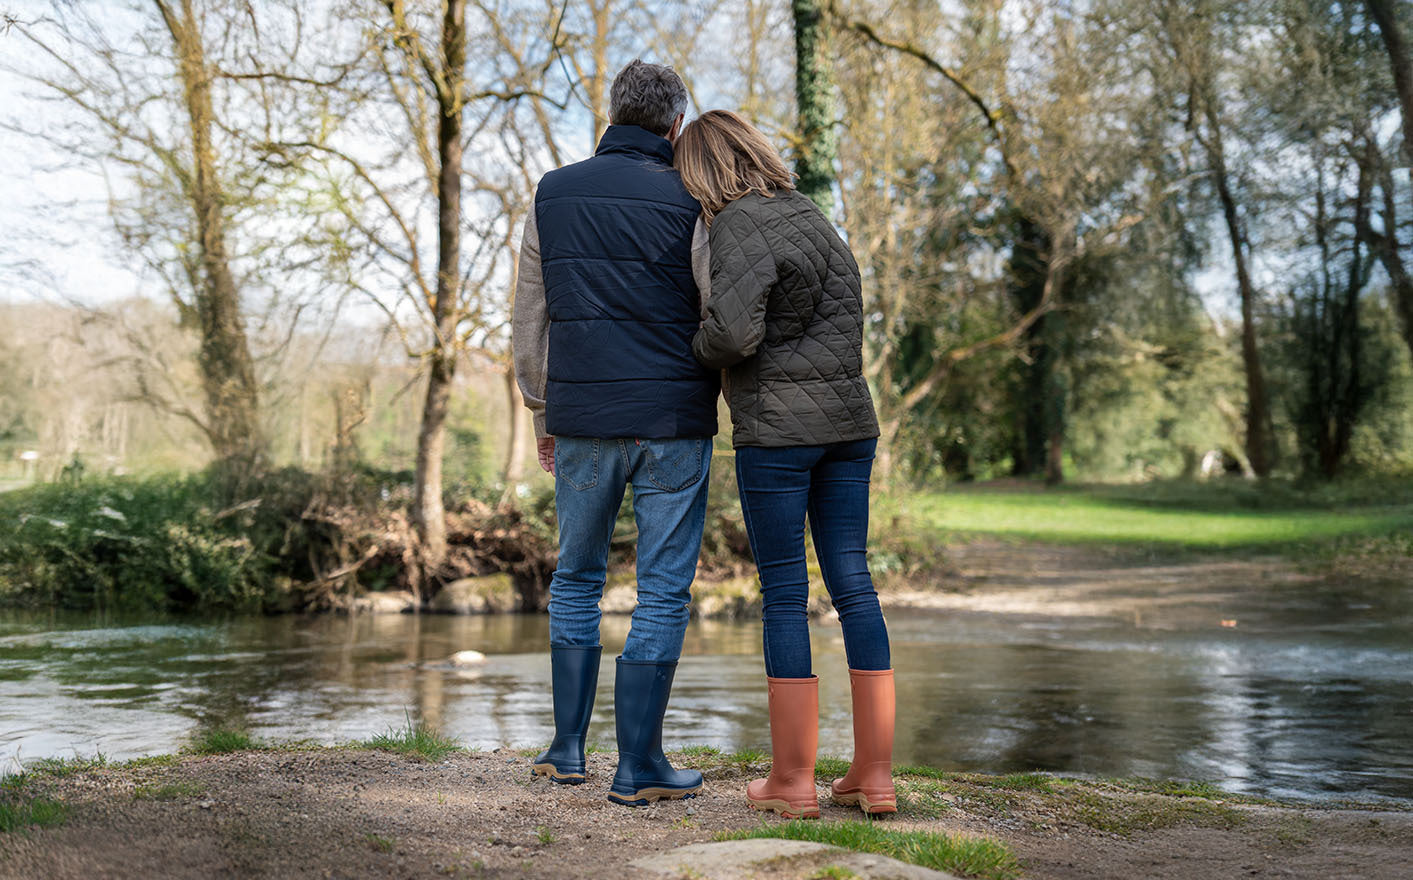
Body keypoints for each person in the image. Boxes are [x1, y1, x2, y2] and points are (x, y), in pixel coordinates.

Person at [674, 110, 896, 818]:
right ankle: (874, 775)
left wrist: (696, 346)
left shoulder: (737, 221)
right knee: (854, 586)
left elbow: (735, 333)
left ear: (703, 171)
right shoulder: (811, 216)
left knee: (781, 594)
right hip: (849, 427)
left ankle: (793, 782)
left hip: (779, 435)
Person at [511, 60, 717, 807]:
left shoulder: (551, 193)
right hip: (672, 422)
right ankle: (639, 768)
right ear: (674, 125)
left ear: (612, 113)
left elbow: (530, 313)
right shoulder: (696, 197)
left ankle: (566, 749)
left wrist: (543, 410)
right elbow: (713, 307)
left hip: (584, 422)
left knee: (576, 577)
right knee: (661, 590)